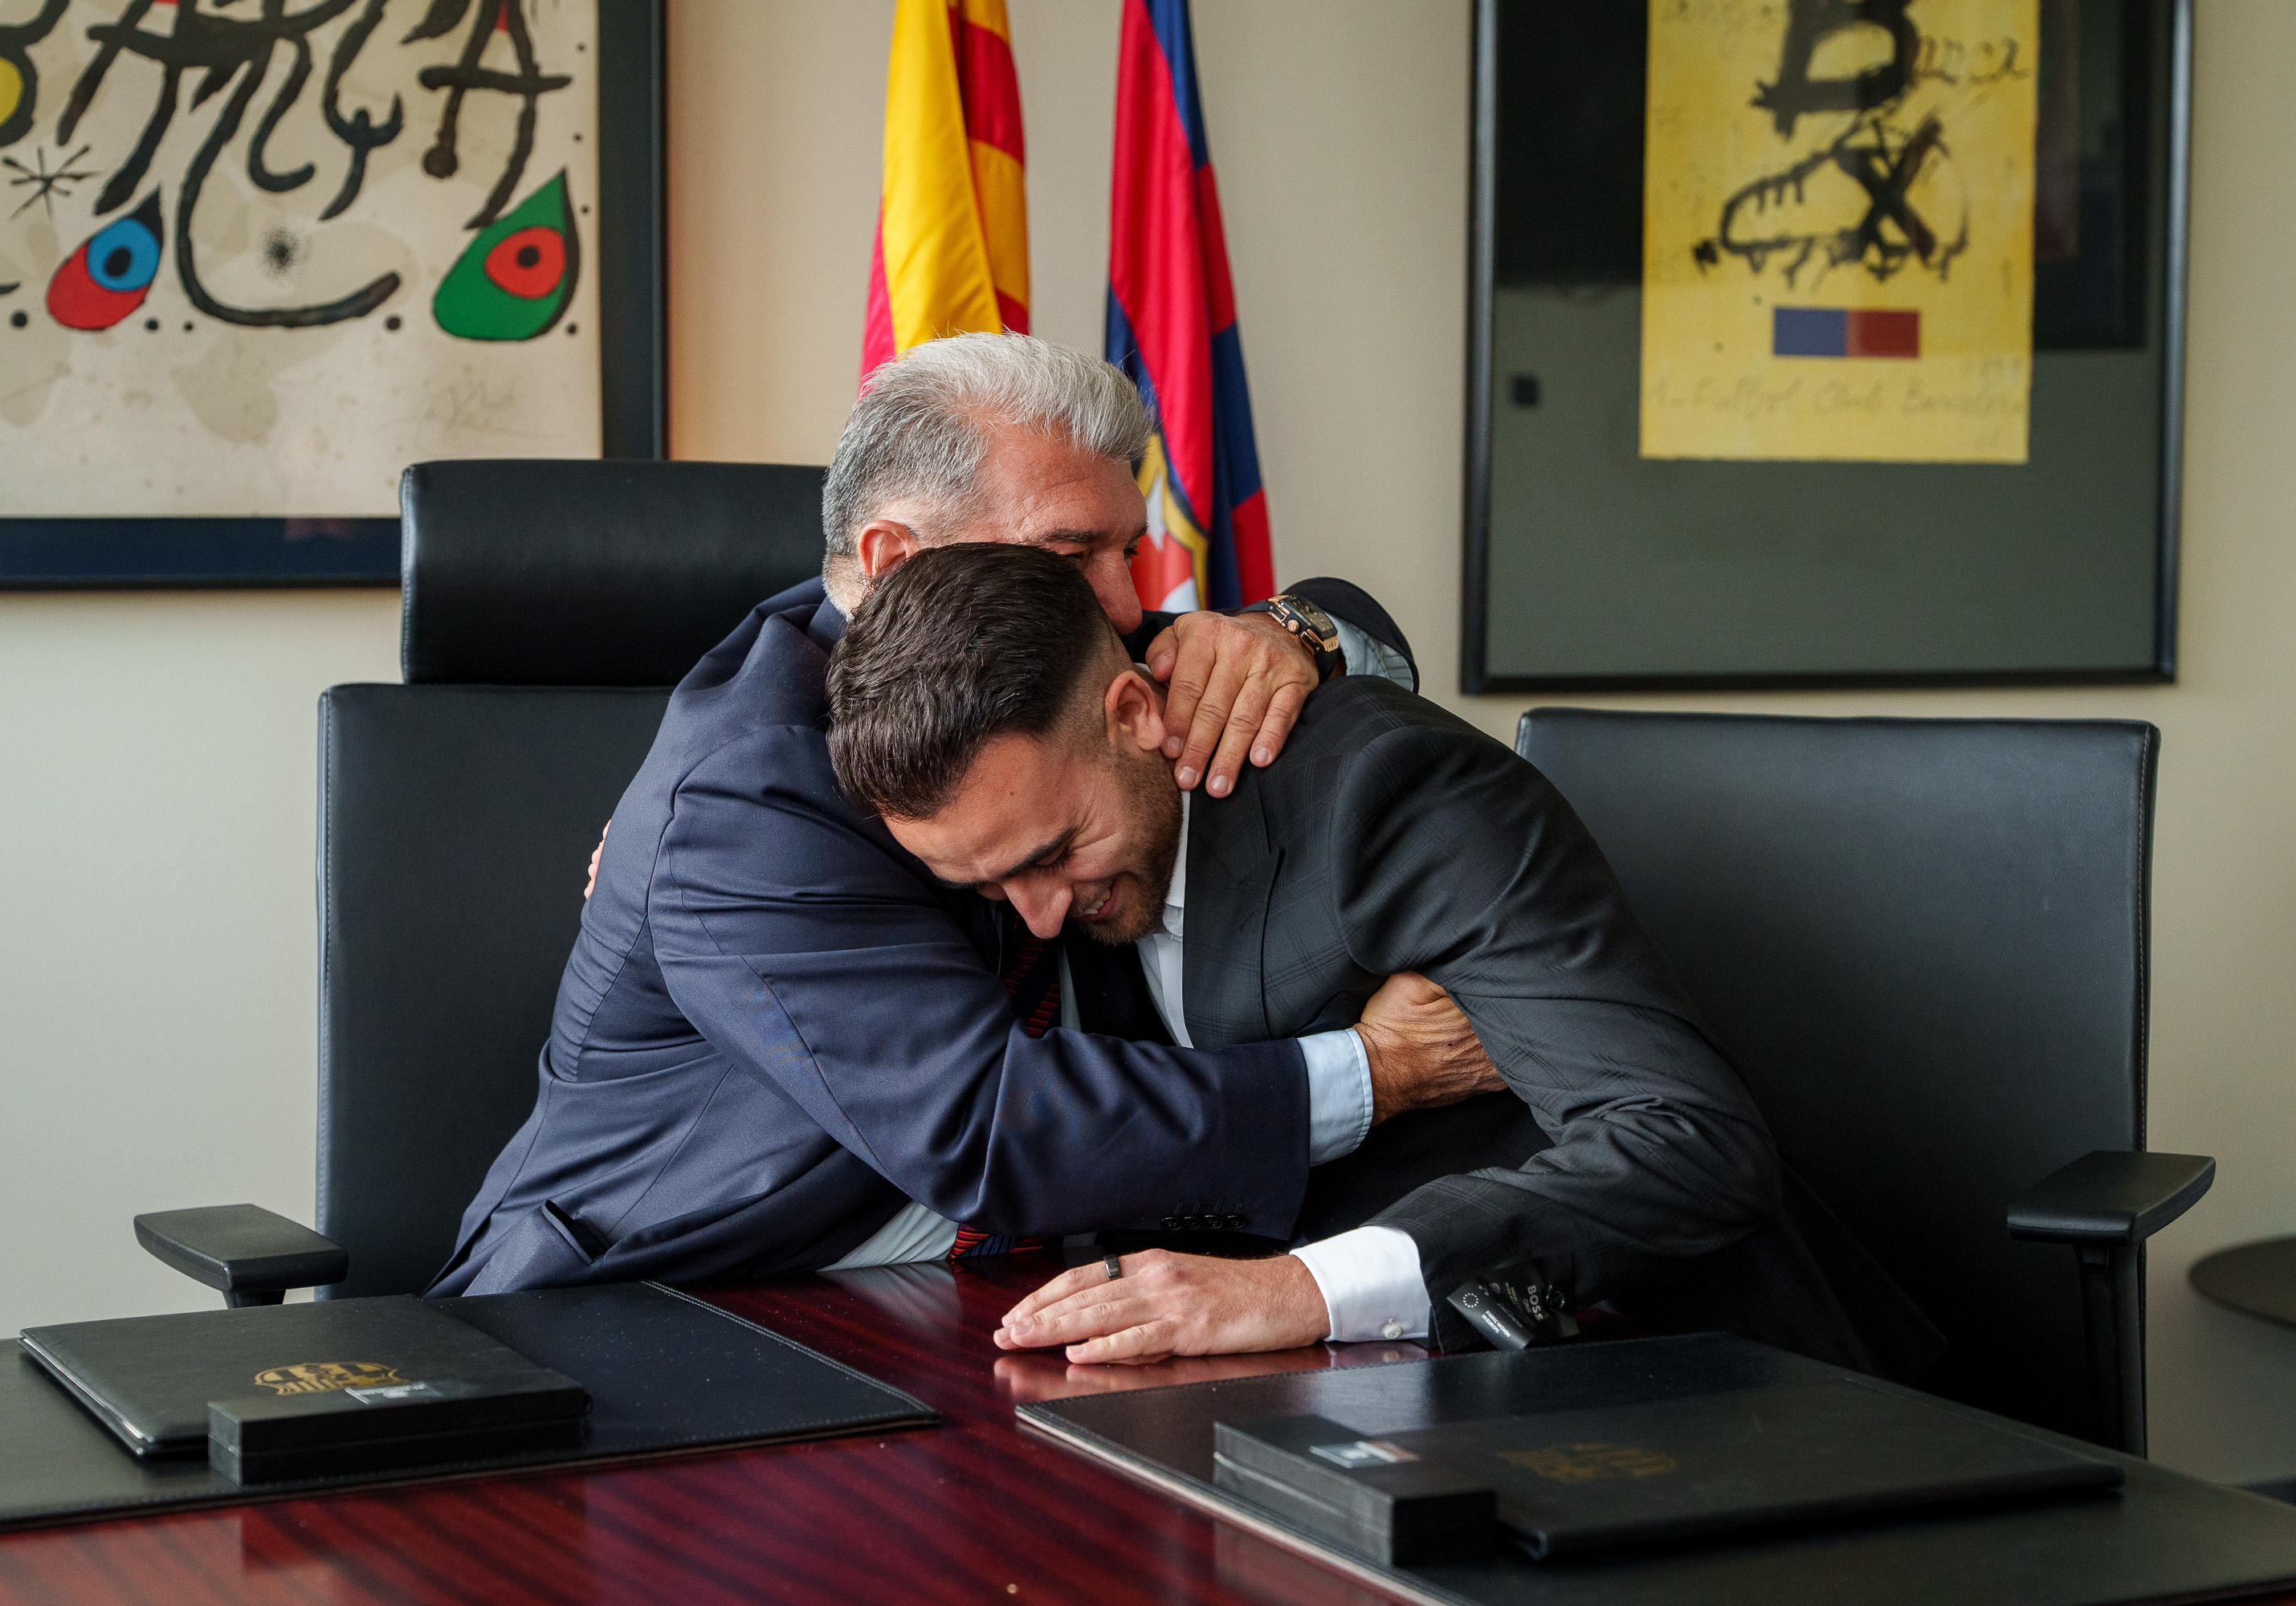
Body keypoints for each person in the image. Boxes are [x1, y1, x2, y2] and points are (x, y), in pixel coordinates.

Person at [430, 333, 1507, 1296]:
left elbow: (1343, 634)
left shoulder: (1055, 658)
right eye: (1072, 554)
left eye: (1128, 549)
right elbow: (993, 1128)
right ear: (897, 562)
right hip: (678, 1309)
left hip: (1006, 1282)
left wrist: (1293, 632)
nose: (1129, 607)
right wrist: (1383, 1070)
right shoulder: (743, 802)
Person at [826, 540, 1943, 1376]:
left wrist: (1303, 1288)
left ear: (1132, 714)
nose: (1033, 918)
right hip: (1371, 1404)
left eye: (1055, 854)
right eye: (987, 887)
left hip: (1685, 1386)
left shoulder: (1388, 797)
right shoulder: (1051, 870)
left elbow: (1691, 1146)